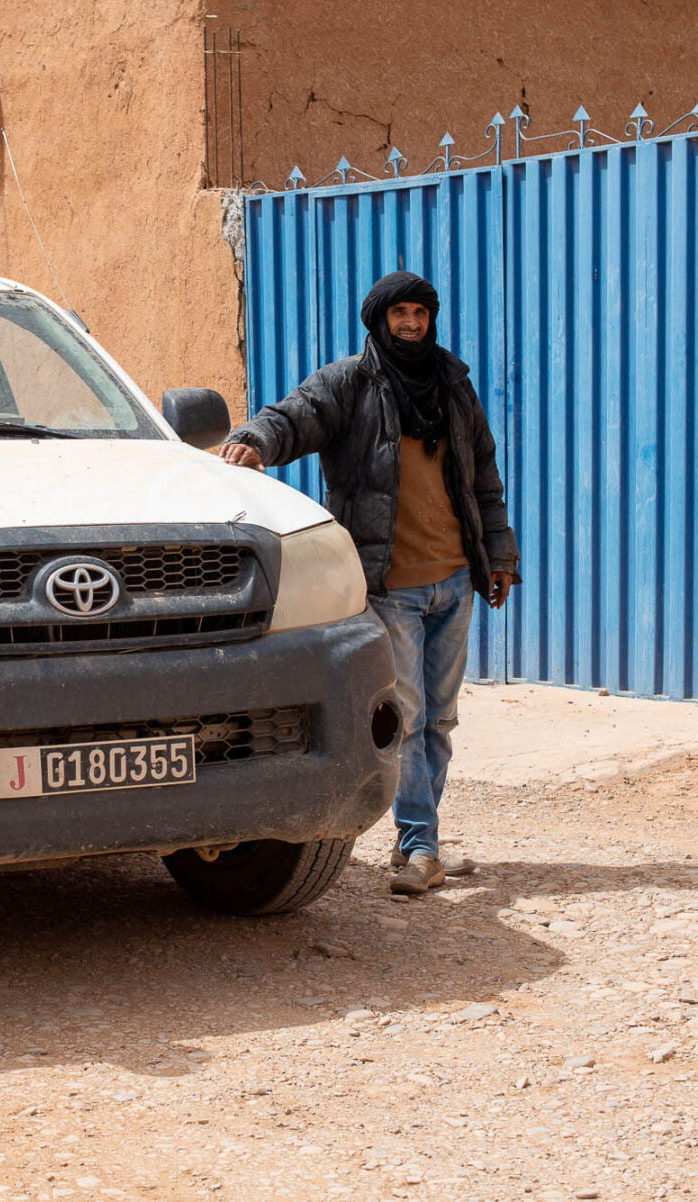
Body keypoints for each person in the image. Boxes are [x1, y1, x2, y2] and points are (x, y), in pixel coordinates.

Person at [217, 271, 520, 896]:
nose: (411, 323)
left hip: (454, 581)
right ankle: (419, 847)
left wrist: (500, 555)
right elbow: (295, 416)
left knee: (440, 721)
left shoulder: (454, 386)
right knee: (406, 718)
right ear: (379, 320)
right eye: (400, 313)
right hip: (390, 585)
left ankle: (421, 840)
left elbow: (483, 480)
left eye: (420, 313)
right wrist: (254, 439)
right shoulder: (350, 383)